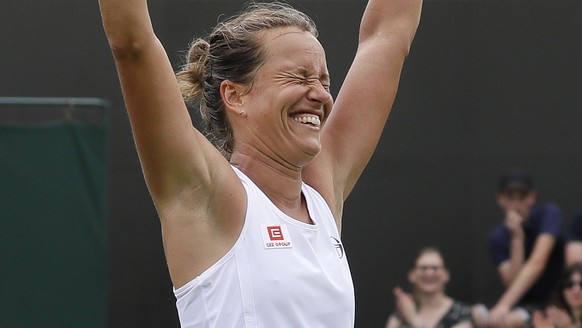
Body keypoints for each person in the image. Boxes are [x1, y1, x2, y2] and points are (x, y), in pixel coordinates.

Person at [98, 0, 422, 326]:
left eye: (324, 81)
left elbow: (388, 36)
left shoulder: (321, 193)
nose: (321, 95)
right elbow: (132, 44)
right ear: (236, 96)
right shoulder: (207, 195)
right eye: (299, 77)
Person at [478, 169, 565, 328]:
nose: (516, 204)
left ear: (532, 197)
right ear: (500, 200)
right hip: (524, 305)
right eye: (510, 198)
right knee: (477, 314)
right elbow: (513, 282)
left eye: (522, 197)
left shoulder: (548, 213)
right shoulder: (496, 237)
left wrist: (503, 304)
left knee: (506, 321)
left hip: (554, 302)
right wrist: (516, 239)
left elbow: (537, 263)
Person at [385, 247, 474, 328]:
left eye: (435, 268)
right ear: (411, 275)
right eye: (423, 268)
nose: (429, 273)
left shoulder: (461, 313)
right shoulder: (402, 314)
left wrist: (414, 319)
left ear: (446, 274)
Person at [532, 262, 582, 328]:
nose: (576, 290)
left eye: (581, 284)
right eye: (569, 284)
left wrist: (568, 326)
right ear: (562, 289)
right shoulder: (551, 317)